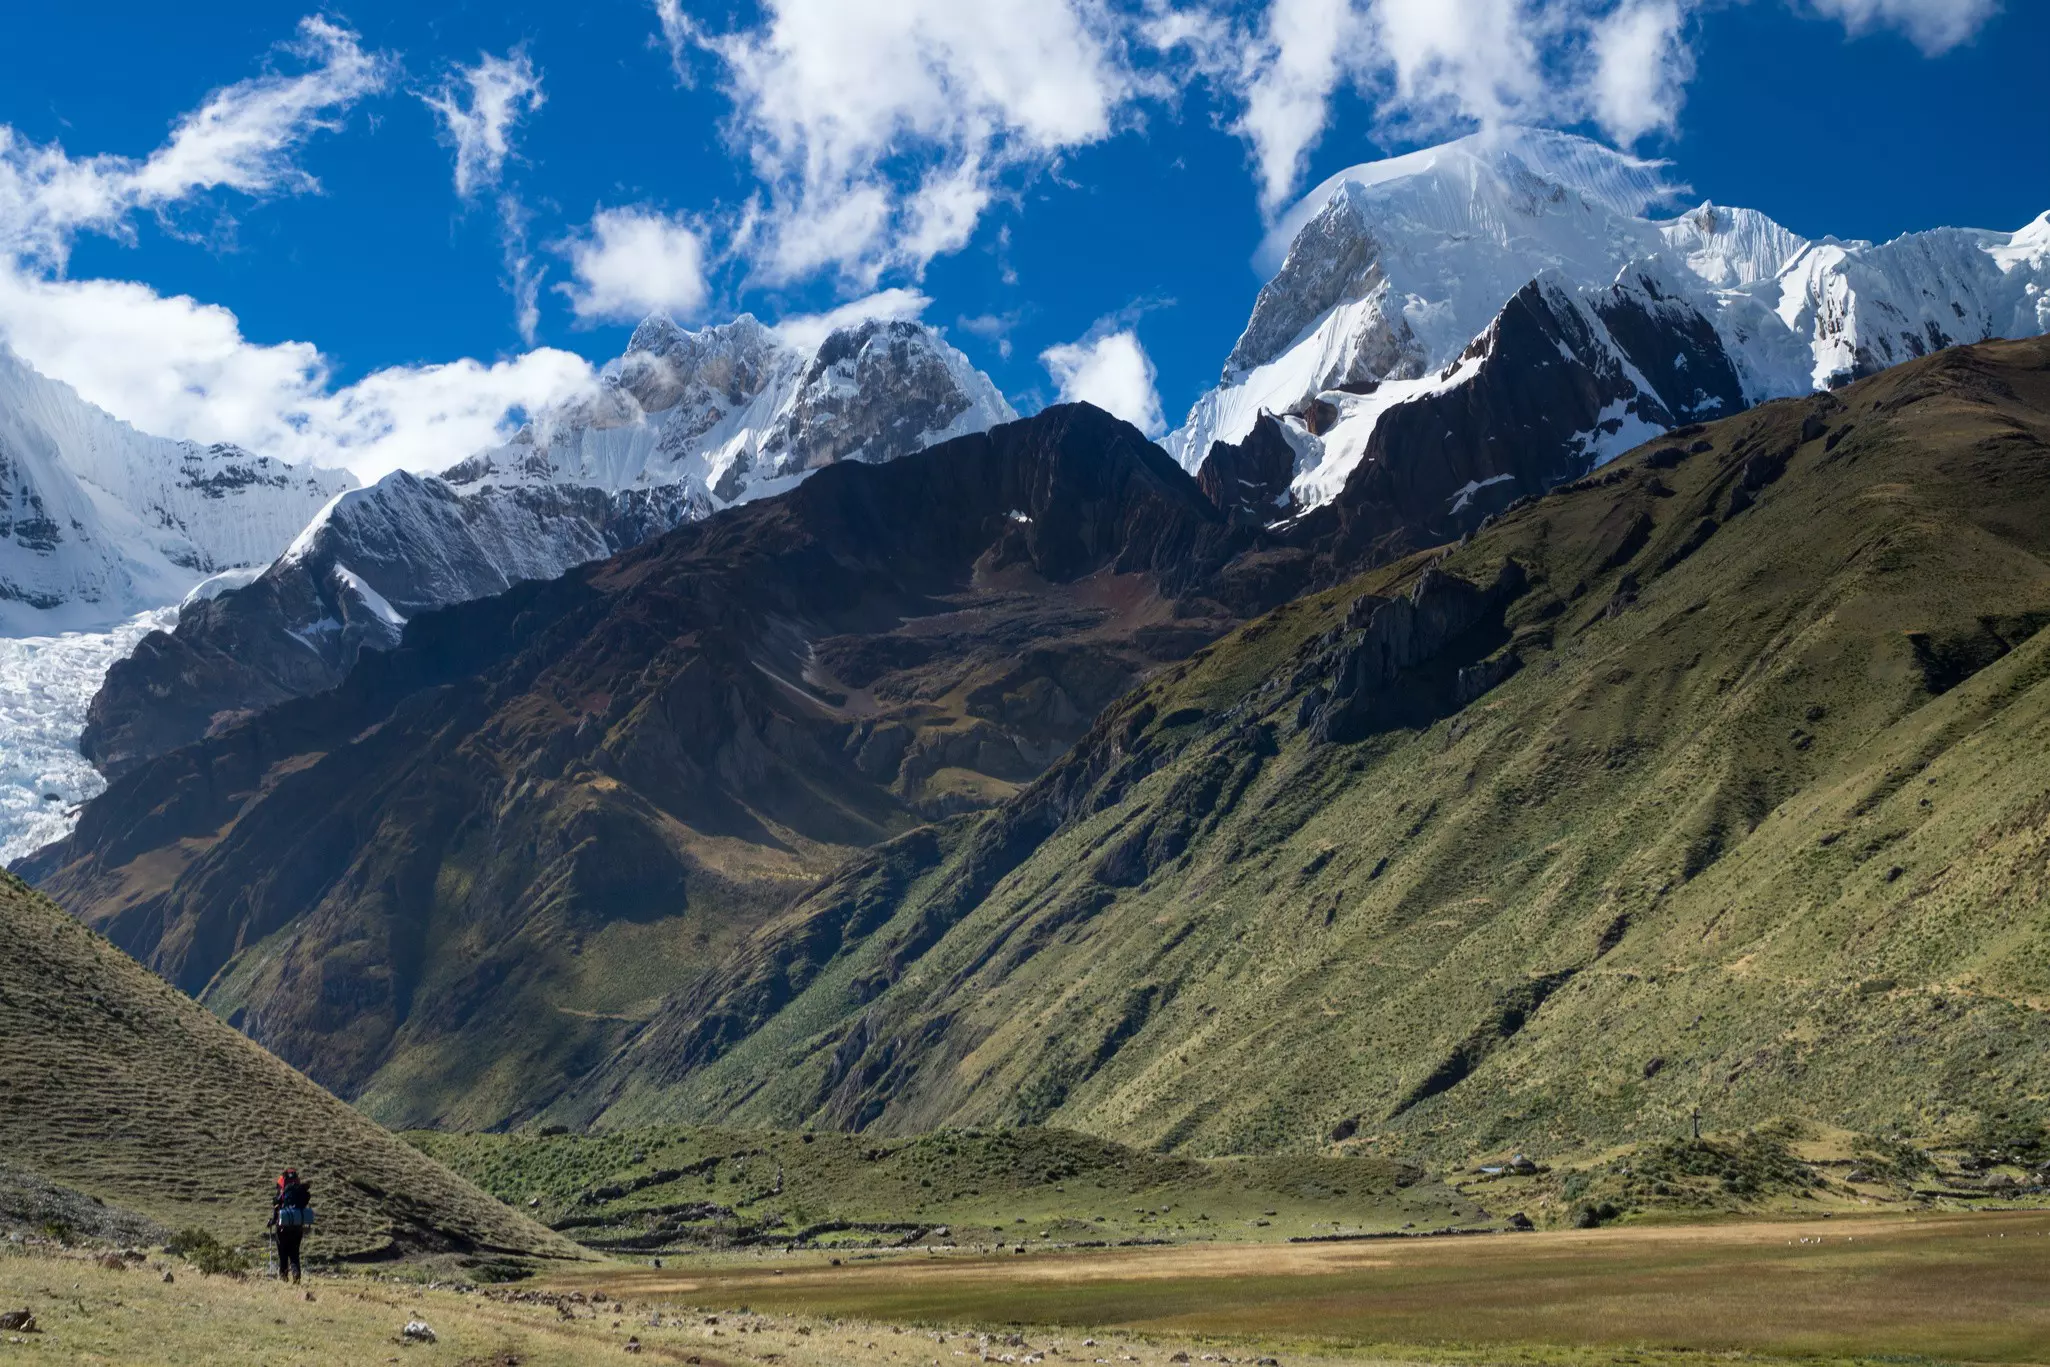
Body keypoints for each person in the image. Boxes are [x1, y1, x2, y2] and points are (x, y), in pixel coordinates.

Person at [269, 1169, 314, 1283]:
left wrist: (272, 1221)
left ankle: (284, 1277)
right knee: (294, 1253)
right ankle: (296, 1273)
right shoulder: (299, 1193)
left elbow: (276, 1208)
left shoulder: (282, 1193)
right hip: (297, 1228)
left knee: (283, 1253)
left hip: (282, 1228)